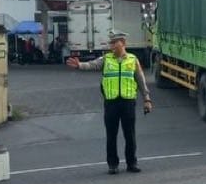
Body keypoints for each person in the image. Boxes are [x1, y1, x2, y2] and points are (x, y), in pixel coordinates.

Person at [66, 31, 153, 174]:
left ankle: (132, 163)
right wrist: (79, 65)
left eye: (114, 42)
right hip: (111, 103)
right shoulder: (106, 59)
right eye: (110, 43)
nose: (111, 45)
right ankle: (113, 164)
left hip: (128, 103)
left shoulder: (132, 59)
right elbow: (92, 65)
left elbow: (141, 81)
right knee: (111, 135)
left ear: (123, 43)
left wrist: (147, 99)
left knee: (130, 135)